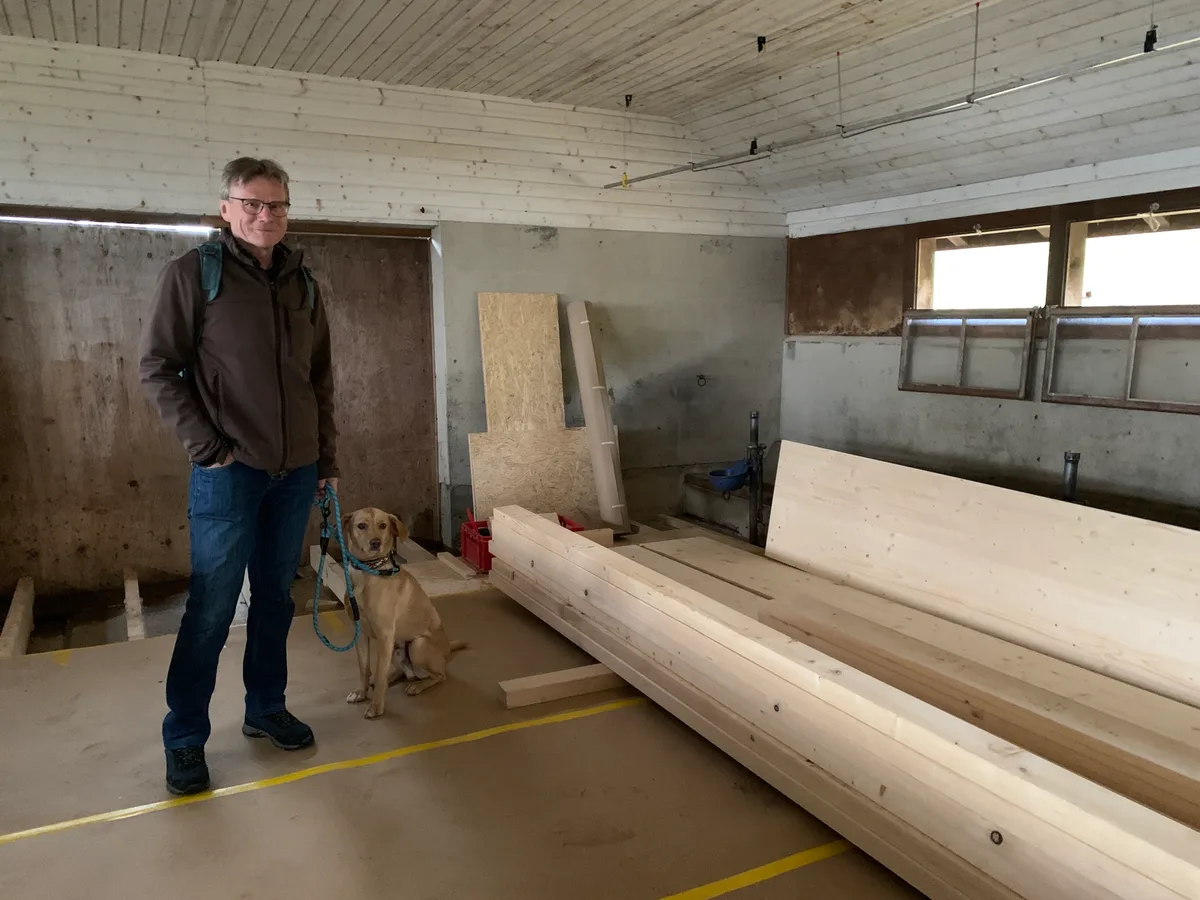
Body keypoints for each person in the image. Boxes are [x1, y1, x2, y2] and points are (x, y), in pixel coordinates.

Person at [139, 157, 339, 796]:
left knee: (276, 597)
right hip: (229, 472)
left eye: (276, 204)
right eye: (251, 203)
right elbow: (157, 367)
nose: (265, 215)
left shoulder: (303, 282)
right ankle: (184, 737)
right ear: (226, 208)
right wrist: (209, 449)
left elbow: (319, 380)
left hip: (295, 471)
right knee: (212, 606)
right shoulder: (194, 274)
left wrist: (325, 461)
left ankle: (266, 707)